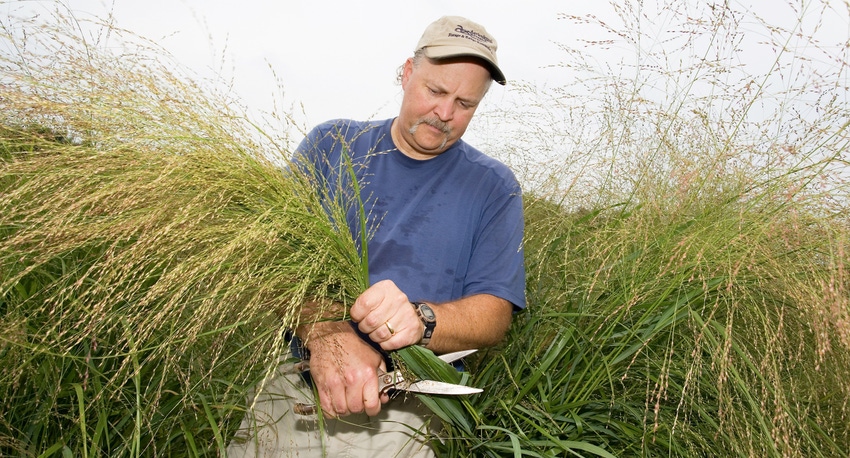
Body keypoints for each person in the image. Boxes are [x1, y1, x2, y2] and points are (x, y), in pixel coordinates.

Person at [227, 15, 525, 457]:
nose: (445, 113)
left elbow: (494, 314)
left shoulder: (495, 187)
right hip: (302, 373)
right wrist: (328, 335)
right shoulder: (330, 146)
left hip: (412, 395)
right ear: (407, 73)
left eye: (465, 103)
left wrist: (421, 320)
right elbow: (273, 263)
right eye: (436, 91)